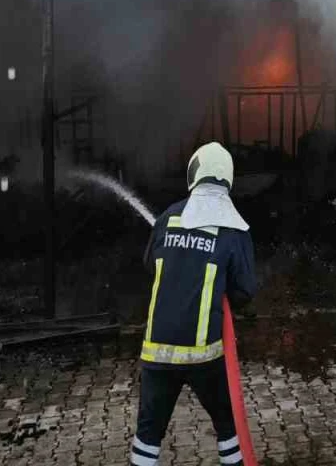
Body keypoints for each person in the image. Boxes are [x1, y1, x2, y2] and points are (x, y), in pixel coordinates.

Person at [131, 142, 258, 466]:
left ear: (194, 173)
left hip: (156, 352)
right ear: (227, 177)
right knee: (229, 429)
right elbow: (245, 292)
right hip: (206, 356)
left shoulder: (167, 218)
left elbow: (150, 264)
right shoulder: (234, 229)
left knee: (148, 436)